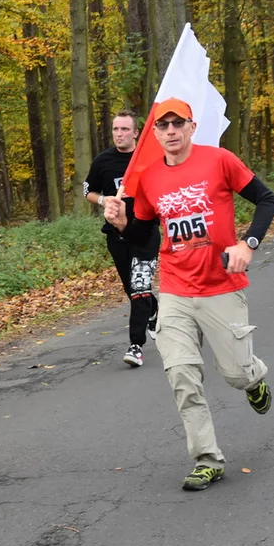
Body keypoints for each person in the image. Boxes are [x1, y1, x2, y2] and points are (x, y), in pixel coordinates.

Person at [102, 97, 274, 492]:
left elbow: (267, 199)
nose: (170, 131)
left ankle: (254, 378)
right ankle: (207, 458)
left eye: (177, 124)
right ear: (156, 134)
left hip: (221, 286)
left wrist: (248, 243)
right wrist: (122, 222)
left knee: (235, 373)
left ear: (191, 127)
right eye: (163, 126)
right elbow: (144, 236)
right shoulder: (147, 177)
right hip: (176, 289)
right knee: (182, 375)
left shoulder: (219, 160)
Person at [84, 111, 160, 368]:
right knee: (132, 287)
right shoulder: (103, 161)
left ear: (136, 132)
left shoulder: (150, 159)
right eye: (116, 129)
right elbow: (88, 191)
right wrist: (104, 199)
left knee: (140, 287)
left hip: (146, 232)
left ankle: (136, 345)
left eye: (125, 129)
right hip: (116, 233)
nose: (119, 134)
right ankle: (153, 309)